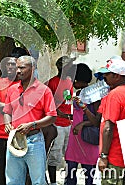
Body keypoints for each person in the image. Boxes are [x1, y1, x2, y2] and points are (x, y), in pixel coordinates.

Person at [3, 55, 57, 185]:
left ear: (32, 69)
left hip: (34, 140)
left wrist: (33, 125)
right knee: (13, 181)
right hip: (14, 141)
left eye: (22, 67)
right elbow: (7, 111)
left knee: (38, 181)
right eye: (17, 68)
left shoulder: (43, 90)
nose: (18, 71)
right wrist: (7, 123)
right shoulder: (12, 89)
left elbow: (52, 116)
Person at [65, 63, 99, 185]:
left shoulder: (94, 95)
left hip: (88, 137)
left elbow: (97, 120)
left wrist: (83, 124)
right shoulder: (78, 94)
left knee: (89, 175)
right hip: (75, 138)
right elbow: (76, 115)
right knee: (70, 172)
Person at [0, 56, 20, 185]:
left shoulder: (22, 85)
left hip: (19, 135)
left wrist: (2, 105)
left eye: (14, 64)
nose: (11, 67)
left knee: (16, 174)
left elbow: (24, 107)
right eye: (8, 64)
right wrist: (13, 105)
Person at [45, 56, 75, 185]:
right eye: (69, 65)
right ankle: (53, 181)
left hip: (69, 123)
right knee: (55, 155)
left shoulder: (69, 82)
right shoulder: (52, 83)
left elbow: (69, 101)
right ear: (63, 67)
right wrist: (60, 114)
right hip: (57, 124)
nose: (71, 68)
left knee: (68, 154)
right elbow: (48, 104)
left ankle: (67, 180)